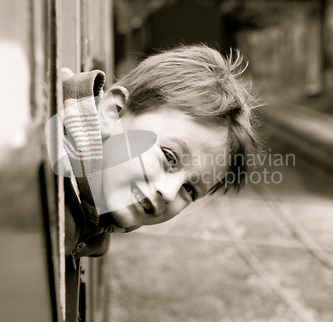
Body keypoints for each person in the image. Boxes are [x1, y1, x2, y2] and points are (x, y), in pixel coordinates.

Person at [58, 44, 260, 267]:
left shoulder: (92, 223)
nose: (169, 193)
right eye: (169, 157)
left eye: (190, 189)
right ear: (111, 114)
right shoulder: (47, 157)